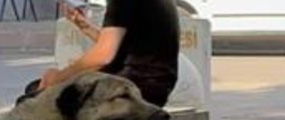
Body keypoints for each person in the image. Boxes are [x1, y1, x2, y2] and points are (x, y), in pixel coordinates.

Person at [35, 0, 179, 107]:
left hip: (133, 90)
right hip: (157, 86)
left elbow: (103, 57)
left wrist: (59, 77)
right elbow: (125, 49)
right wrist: (86, 28)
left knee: (40, 95)